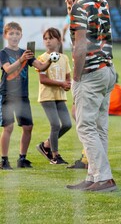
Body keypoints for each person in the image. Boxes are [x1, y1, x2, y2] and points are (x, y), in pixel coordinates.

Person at [57, 0, 117, 192]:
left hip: (90, 72)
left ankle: (104, 177)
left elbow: (80, 45)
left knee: (85, 127)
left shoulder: (79, 7)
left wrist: (77, 76)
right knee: (99, 127)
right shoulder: (101, 2)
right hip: (107, 69)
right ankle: (93, 177)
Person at [0, 21, 53, 170]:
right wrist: (21, 59)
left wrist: (50, 59)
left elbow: (41, 66)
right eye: (11, 33)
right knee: (8, 128)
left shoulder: (26, 52)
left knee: (28, 127)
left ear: (21, 35)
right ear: (6, 35)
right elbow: (8, 70)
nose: (14, 36)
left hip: (22, 95)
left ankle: (22, 159)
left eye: (17, 33)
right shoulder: (3, 53)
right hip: (7, 94)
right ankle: (4, 160)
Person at [35, 27, 72, 165]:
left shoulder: (64, 58)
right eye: (45, 38)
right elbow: (43, 80)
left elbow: (68, 78)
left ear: (59, 40)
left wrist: (67, 85)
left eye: (51, 38)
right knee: (55, 125)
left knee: (67, 124)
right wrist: (61, 83)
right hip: (47, 96)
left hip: (60, 96)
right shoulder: (42, 58)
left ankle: (45, 145)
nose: (48, 41)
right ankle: (55, 156)